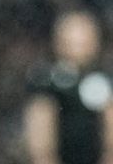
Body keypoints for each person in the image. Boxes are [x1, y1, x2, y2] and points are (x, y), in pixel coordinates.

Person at [25, 12, 113, 164]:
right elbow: (40, 124)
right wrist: (43, 156)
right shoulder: (46, 79)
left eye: (83, 41)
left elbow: (110, 121)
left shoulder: (104, 78)